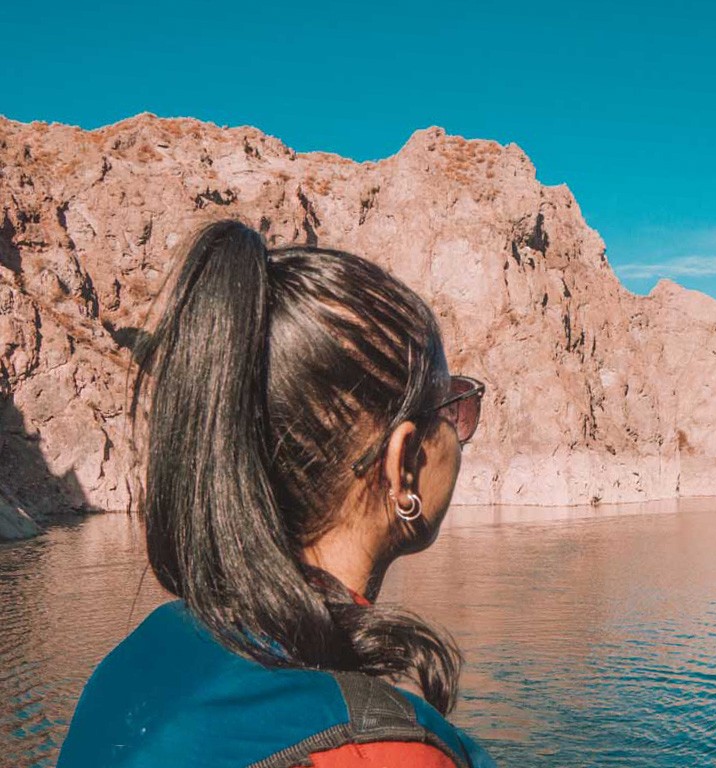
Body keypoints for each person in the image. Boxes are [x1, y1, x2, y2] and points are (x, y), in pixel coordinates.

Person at [57, 220, 495, 768]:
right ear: (402, 465)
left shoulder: (137, 658)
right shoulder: (380, 751)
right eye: (453, 407)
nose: (461, 430)